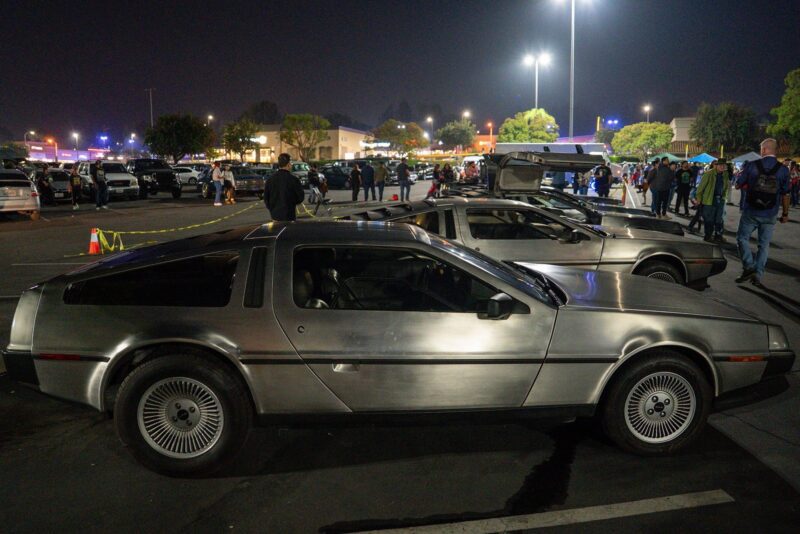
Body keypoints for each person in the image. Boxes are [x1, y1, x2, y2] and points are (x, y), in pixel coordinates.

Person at [734, 138, 791, 285]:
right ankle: (757, 275)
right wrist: (785, 214)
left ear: (764, 150)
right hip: (770, 213)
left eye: (761, 149)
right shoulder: (784, 170)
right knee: (764, 245)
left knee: (742, 238)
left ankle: (748, 266)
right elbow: (786, 194)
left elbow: (738, 185)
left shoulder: (752, 166)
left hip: (751, 211)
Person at [695, 158, 730, 243]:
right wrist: (699, 199)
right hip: (709, 200)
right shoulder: (708, 174)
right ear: (716, 166)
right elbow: (700, 188)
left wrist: (724, 197)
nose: (722, 167)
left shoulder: (725, 174)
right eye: (720, 165)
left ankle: (718, 235)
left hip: (720, 199)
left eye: (724, 165)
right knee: (709, 220)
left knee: (719, 220)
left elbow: (726, 187)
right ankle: (708, 236)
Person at [263, 153, 304, 221]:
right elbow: (300, 197)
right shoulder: (294, 179)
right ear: (288, 164)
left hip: (275, 215)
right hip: (290, 214)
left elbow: (266, 198)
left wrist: (272, 208)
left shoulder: (270, 180)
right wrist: (292, 202)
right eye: (291, 164)